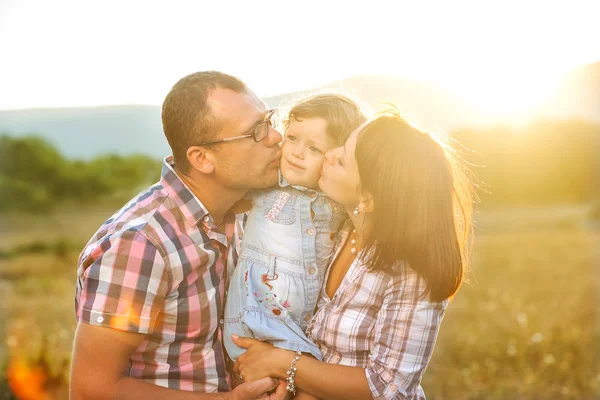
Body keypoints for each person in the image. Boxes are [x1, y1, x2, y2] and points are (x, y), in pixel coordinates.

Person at [70, 71, 288, 399]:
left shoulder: (241, 212)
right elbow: (91, 389)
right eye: (255, 131)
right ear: (202, 159)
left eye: (269, 120)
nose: (274, 137)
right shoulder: (141, 246)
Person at [232, 108, 475, 400]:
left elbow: (386, 387)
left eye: (343, 160)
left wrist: (283, 363)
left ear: (368, 199)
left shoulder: (411, 271)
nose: (329, 155)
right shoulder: (337, 230)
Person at [222, 94, 366, 367]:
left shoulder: (339, 200)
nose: (297, 153)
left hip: (303, 325)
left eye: (314, 149)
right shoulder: (267, 184)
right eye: (292, 138)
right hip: (256, 314)